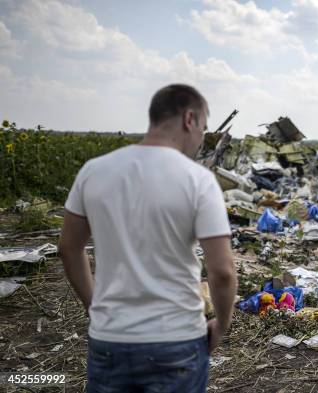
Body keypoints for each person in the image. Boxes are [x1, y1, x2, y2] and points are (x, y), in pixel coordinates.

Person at [59, 84, 237, 393]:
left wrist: (94, 305)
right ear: (189, 119)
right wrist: (221, 325)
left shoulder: (94, 171)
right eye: (204, 129)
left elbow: (68, 248)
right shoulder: (198, 180)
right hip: (177, 339)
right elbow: (222, 272)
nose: (200, 140)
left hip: (110, 338)